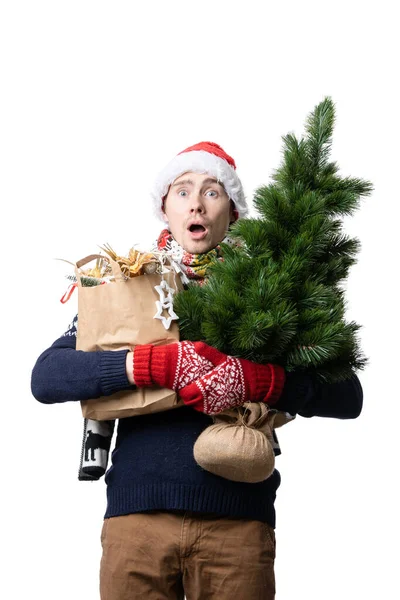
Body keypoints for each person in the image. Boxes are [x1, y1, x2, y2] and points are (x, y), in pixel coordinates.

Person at [31, 141, 363, 600]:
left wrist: (259, 380)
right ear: (164, 208)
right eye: (183, 190)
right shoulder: (127, 285)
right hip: (137, 522)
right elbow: (48, 376)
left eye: (212, 191)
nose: (197, 202)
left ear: (234, 211)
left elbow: (348, 395)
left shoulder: (268, 292)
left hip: (238, 527)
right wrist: (150, 364)